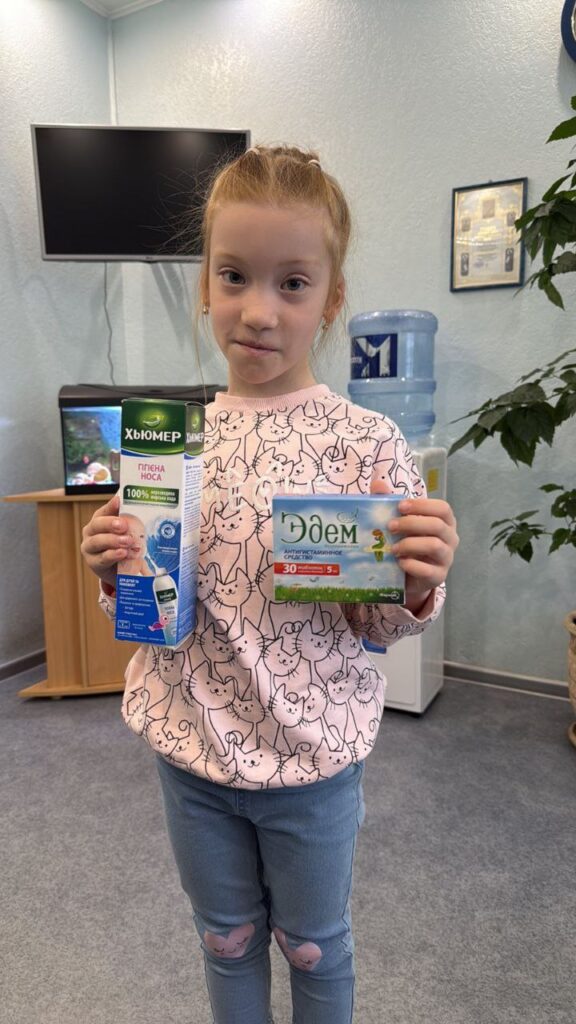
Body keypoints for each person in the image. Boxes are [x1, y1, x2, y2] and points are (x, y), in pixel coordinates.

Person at [80, 144, 459, 1024]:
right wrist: (113, 568)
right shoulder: (171, 442)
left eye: (292, 284)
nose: (258, 311)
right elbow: (155, 608)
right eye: (234, 276)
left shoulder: (365, 444)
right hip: (191, 751)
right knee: (225, 938)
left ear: (331, 299)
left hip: (311, 761)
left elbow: (376, 628)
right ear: (204, 287)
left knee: (314, 944)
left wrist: (413, 586)